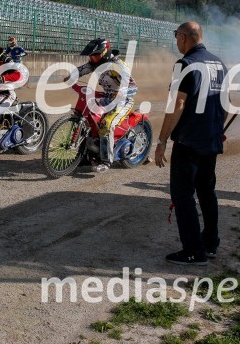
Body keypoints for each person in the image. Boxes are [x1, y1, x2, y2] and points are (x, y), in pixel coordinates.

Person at [154, 22, 227, 266]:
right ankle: (210, 243)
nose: (176, 42)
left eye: (177, 37)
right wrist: (216, 129)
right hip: (211, 139)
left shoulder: (184, 64)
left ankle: (194, 251)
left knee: (182, 195)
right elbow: (226, 103)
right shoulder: (219, 64)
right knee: (207, 192)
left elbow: (177, 104)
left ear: (184, 37)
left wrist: (162, 140)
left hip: (189, 141)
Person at [74, 38, 138, 173]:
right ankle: (85, 155)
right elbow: (79, 71)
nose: (92, 58)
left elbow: (133, 87)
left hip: (123, 101)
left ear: (105, 52)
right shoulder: (94, 64)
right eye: (91, 55)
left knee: (106, 124)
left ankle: (106, 161)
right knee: (86, 117)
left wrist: (121, 92)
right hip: (106, 98)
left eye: (95, 55)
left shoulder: (118, 65)